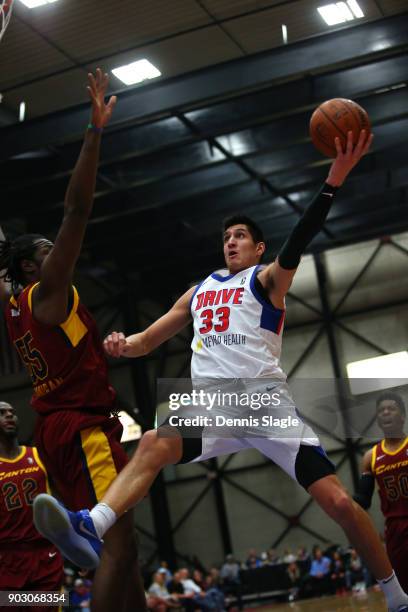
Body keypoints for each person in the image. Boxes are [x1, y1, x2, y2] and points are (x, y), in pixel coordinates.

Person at [33, 131, 408, 612]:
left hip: (264, 403)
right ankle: (92, 525)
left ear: (257, 248)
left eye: (240, 237)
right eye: (226, 238)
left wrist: (333, 179)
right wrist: (121, 344)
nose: (231, 242)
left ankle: (397, 596)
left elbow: (300, 238)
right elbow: (149, 339)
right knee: (151, 442)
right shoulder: (200, 289)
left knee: (338, 504)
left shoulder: (268, 278)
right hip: (215, 405)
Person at [0, 70, 146, 611]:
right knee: (115, 546)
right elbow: (77, 211)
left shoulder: (14, 302)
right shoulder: (46, 293)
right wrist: (93, 131)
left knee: (125, 551)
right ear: (31, 265)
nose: (55, 248)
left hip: (64, 429)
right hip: (81, 429)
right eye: (45, 248)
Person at [0, 401, 63, 610]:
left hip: (45, 554)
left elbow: (66, 499)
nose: (10, 416)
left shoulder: (38, 455)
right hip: (7, 559)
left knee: (55, 604)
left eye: (12, 412)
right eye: (2, 413)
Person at [354, 392, 408, 592]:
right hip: (395, 531)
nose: (385, 413)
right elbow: (363, 500)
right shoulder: (371, 457)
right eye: (381, 410)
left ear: (402, 416)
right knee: (403, 588)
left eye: (391, 409)